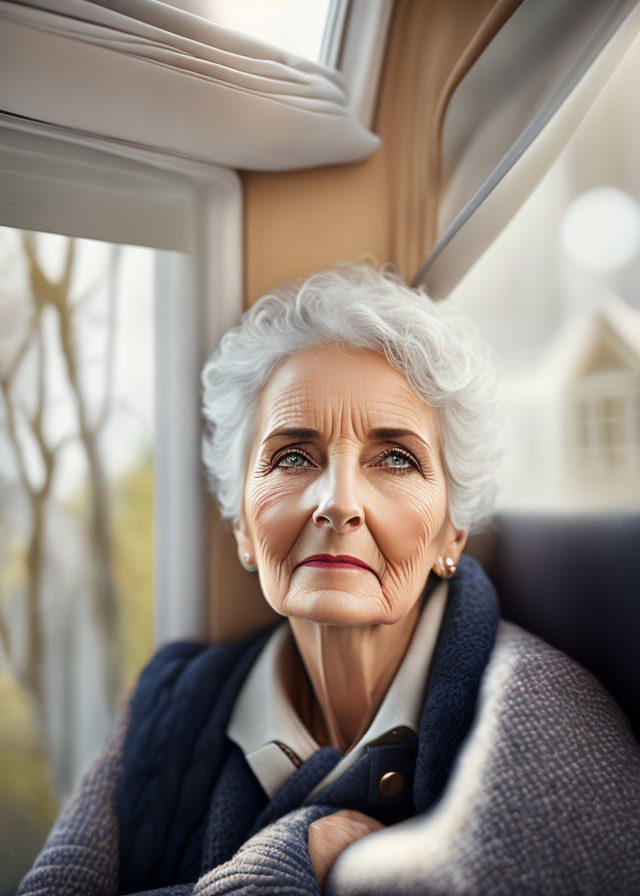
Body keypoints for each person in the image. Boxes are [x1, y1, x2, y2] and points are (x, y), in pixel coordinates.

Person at [19, 263, 640, 896]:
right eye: (293, 455)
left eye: (395, 459)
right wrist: (298, 850)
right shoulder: (170, 701)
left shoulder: (542, 734)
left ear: (451, 534)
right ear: (241, 524)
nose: (338, 502)